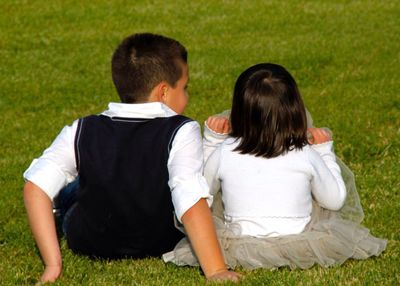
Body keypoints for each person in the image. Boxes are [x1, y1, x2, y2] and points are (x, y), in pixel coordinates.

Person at [23, 33, 240, 283]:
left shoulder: (82, 128)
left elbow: (35, 187)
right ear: (163, 92)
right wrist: (215, 270)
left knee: (70, 186)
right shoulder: (182, 129)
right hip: (161, 239)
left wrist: (52, 264)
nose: (188, 95)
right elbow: (189, 197)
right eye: (185, 87)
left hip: (91, 241)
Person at [163, 63, 387, 269]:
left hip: (240, 240)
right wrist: (324, 152)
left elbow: (204, 192)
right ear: (295, 110)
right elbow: (335, 200)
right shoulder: (305, 153)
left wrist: (212, 142)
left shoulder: (225, 152)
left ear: (238, 111)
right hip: (299, 237)